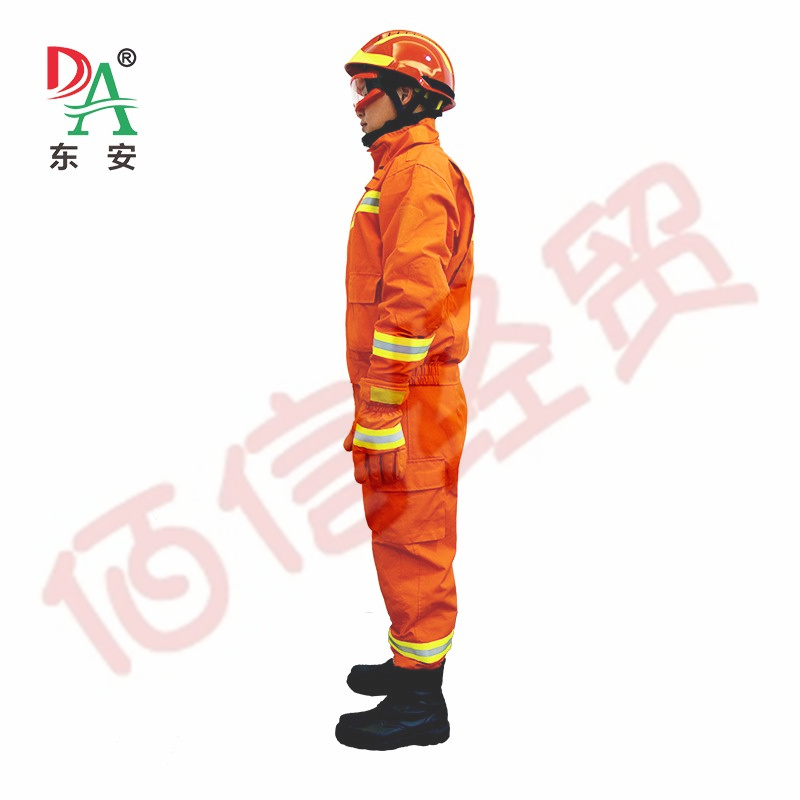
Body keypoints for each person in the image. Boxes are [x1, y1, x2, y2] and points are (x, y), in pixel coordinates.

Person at [336, 30, 475, 751]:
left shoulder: (417, 174)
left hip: (411, 396)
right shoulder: (399, 169)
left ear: (411, 94)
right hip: (403, 393)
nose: (357, 102)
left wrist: (384, 405)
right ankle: (408, 663)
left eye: (369, 88)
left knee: (415, 539)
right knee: (399, 532)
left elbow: (411, 301)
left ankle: (422, 705)